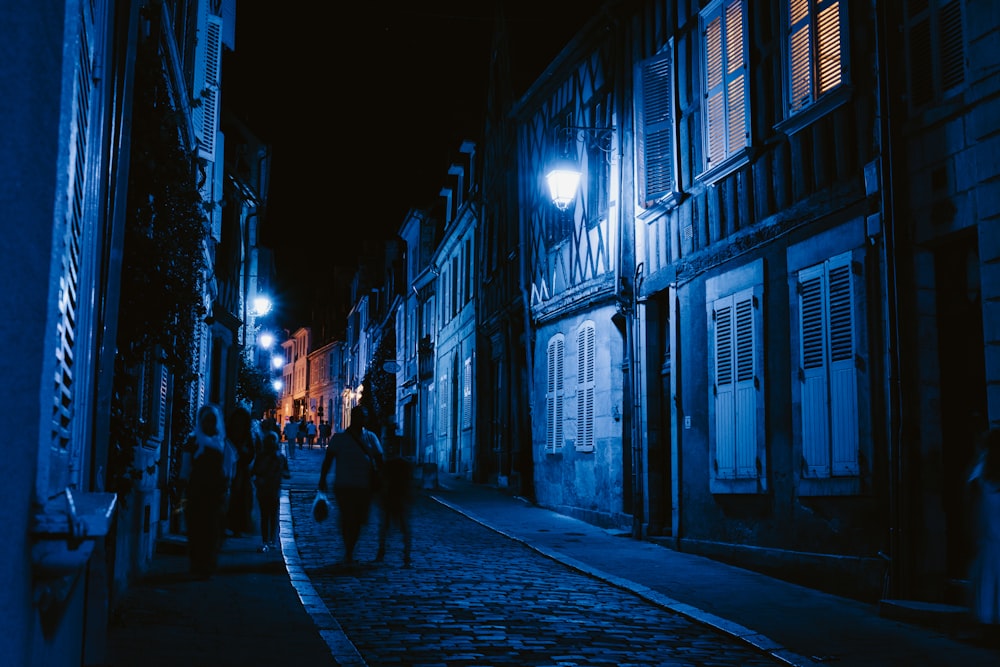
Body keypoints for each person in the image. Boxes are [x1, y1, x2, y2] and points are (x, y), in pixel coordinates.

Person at [318, 404, 384, 565]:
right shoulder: (339, 439)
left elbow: (380, 460)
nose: (361, 420)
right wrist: (322, 479)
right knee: (348, 517)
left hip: (364, 486)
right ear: (353, 418)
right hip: (344, 485)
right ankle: (349, 550)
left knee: (358, 520)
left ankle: (350, 548)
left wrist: (382, 481)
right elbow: (328, 460)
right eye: (359, 416)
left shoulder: (371, 437)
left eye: (363, 417)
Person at [184, 404, 230, 578]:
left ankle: (207, 565)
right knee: (196, 528)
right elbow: (186, 468)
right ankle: (197, 564)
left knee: (212, 529)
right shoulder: (193, 440)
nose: (209, 423)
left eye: (212, 420)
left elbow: (226, 468)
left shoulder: (220, 442)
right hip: (197, 490)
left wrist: (225, 488)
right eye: (206, 420)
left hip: (215, 492)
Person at [968, 427, 1000, 644]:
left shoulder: (984, 466)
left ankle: (988, 623)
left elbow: (972, 492)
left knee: (988, 577)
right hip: (992, 529)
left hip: (989, 531)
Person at [375, 437, 415, 567]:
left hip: (390, 499)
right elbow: (410, 483)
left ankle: (382, 553)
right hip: (400, 499)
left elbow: (382, 481)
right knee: (404, 529)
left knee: (386, 529)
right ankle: (406, 556)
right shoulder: (406, 464)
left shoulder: (387, 464)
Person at [225, 407, 257, 538]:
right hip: (236, 468)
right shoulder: (241, 433)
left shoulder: (243, 434)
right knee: (237, 498)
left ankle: (236, 526)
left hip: (241, 469)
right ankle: (234, 525)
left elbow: (251, 452)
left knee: (239, 498)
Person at [252, 429, 285, 552]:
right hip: (269, 489)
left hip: (269, 489)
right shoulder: (278, 457)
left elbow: (254, 471)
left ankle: (268, 540)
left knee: (268, 516)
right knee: (269, 516)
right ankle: (269, 540)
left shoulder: (267, 457)